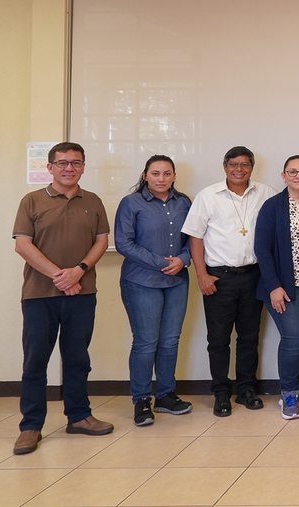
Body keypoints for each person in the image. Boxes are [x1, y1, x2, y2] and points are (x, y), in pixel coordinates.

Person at [12, 142, 114, 455]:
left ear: (83, 166)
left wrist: (79, 271)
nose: (69, 168)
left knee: (78, 358)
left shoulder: (93, 201)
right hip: (39, 295)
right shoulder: (31, 200)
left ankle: (79, 416)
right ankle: (31, 425)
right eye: (62, 163)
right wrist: (61, 275)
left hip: (82, 294)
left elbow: (101, 241)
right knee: (35, 361)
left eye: (76, 162)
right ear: (50, 167)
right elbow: (22, 245)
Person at [182, 146, 275, 417]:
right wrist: (201, 275)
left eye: (244, 164)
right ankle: (221, 393)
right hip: (218, 277)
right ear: (225, 166)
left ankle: (246, 389)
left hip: (254, 276)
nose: (239, 169)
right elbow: (195, 237)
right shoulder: (208, 195)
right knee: (218, 339)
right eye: (233, 164)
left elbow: (287, 210)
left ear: (252, 168)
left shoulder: (266, 193)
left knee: (249, 337)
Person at [114, 155, 194, 427]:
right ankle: (141, 400)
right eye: (156, 173)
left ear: (174, 176)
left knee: (170, 341)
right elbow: (124, 243)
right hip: (141, 282)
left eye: (167, 173)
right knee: (146, 342)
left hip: (177, 281)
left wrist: (183, 260)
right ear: (145, 175)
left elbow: (194, 238)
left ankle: (166, 396)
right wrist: (162, 263)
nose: (161, 178)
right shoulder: (131, 203)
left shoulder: (183, 202)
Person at [254, 155, 299, 420]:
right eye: (292, 171)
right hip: (285, 288)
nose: (298, 175)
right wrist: (274, 286)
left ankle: (296, 386)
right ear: (283, 176)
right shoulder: (272, 206)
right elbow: (262, 248)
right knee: (293, 338)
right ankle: (287, 393)